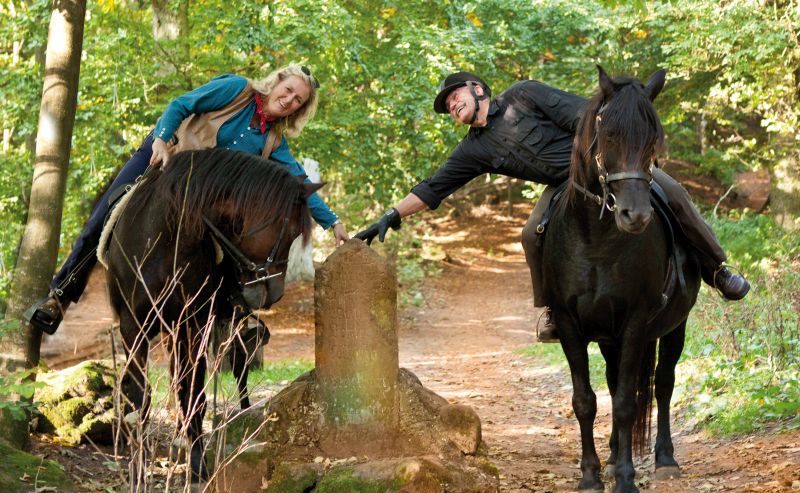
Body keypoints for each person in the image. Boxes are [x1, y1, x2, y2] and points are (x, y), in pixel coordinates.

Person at [354, 71, 749, 342]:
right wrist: (390, 215)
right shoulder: (473, 150)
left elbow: (583, 114)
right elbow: (434, 186)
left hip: (603, 166)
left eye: (454, 97)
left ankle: (718, 269)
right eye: (446, 107)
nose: (451, 107)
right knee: (531, 233)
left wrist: (620, 156)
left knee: (674, 193)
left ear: (476, 89)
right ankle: (552, 312)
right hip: (563, 187)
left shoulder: (524, 95)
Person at [26, 64, 349, 335]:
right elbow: (181, 104)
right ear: (276, 82)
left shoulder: (274, 141)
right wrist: (162, 141)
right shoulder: (236, 90)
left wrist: (332, 223)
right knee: (106, 214)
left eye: (298, 101)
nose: (290, 100)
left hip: (198, 197)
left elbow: (298, 183)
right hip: (164, 157)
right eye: (289, 90)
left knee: (234, 243)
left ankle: (233, 316)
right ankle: (59, 296)